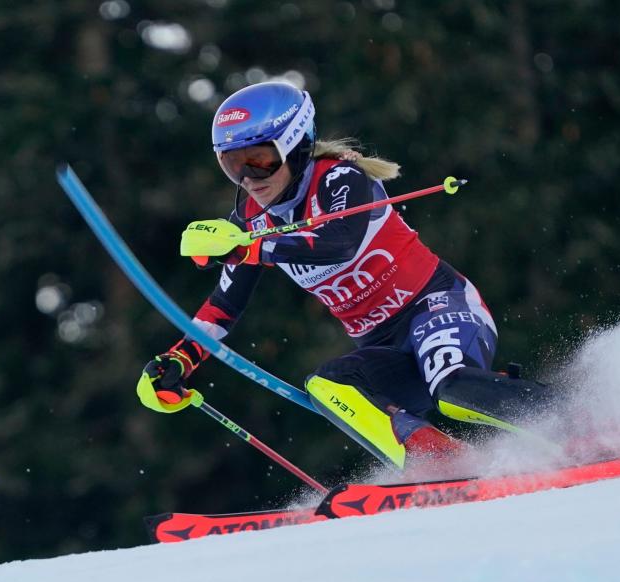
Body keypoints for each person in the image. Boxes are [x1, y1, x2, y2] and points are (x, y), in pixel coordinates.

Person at [136, 81, 546, 470]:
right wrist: (180, 358)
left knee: (452, 388)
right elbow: (225, 305)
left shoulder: (339, 178)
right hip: (384, 345)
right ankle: (445, 466)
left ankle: (576, 425)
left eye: (259, 161)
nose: (248, 179)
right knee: (328, 388)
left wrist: (248, 247)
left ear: (295, 147)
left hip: (437, 307)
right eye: (233, 166)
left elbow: (339, 242)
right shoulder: (251, 219)